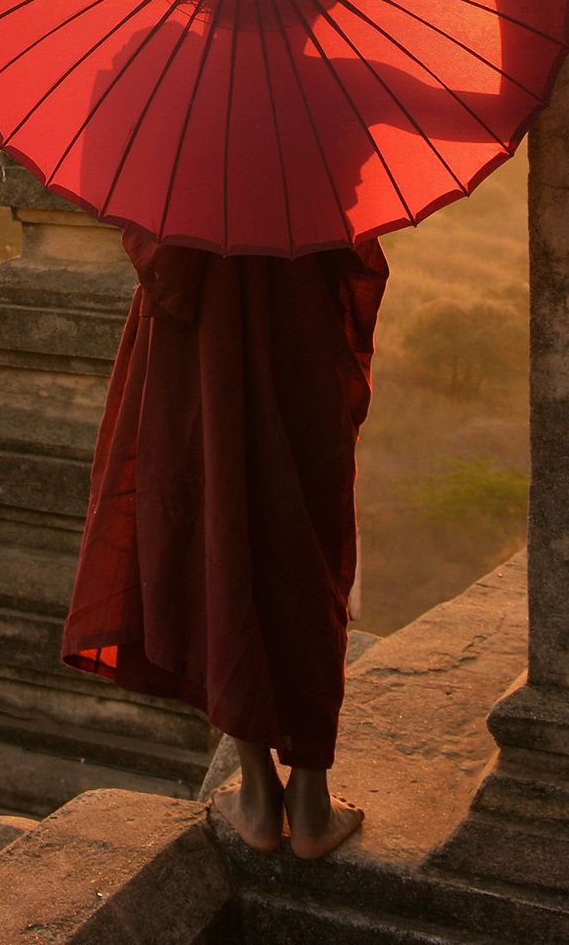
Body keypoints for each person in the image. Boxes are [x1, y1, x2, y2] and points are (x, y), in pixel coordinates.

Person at [62, 227, 389, 858]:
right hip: (299, 343)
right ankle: (312, 801)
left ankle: (259, 794)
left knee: (217, 536)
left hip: (193, 360)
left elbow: (159, 254)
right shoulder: (311, 138)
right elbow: (351, 252)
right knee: (302, 551)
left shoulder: (180, 142)